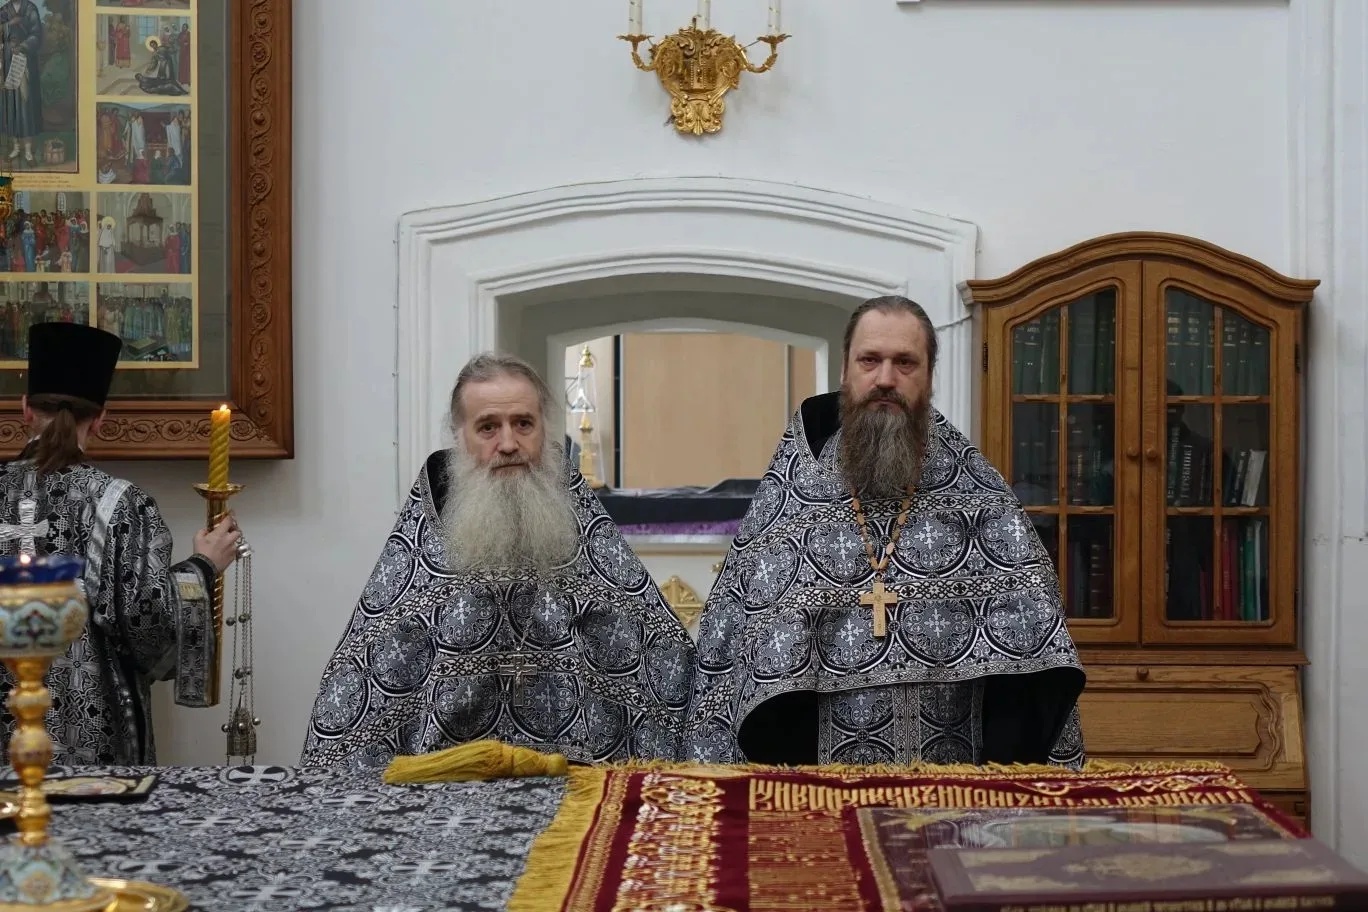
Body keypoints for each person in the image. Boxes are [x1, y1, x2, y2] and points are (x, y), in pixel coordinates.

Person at [684, 296, 1087, 768]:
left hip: (951, 791)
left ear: (929, 375)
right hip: (818, 791)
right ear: (845, 370)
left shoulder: (980, 497)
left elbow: (1032, 660)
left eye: (905, 363)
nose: (885, 379)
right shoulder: (794, 494)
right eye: (870, 360)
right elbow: (736, 650)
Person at [301, 353, 694, 771]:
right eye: (488, 427)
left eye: (523, 424)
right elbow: (367, 673)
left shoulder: (584, 536)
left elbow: (656, 653)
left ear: (544, 429)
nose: (508, 444)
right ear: (459, 436)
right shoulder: (423, 547)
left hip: (575, 779)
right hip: (446, 785)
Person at [0, 322, 240, 764]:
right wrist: (202, 567)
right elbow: (148, 624)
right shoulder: (120, 504)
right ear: (101, 419)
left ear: (24, 410)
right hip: (94, 745)